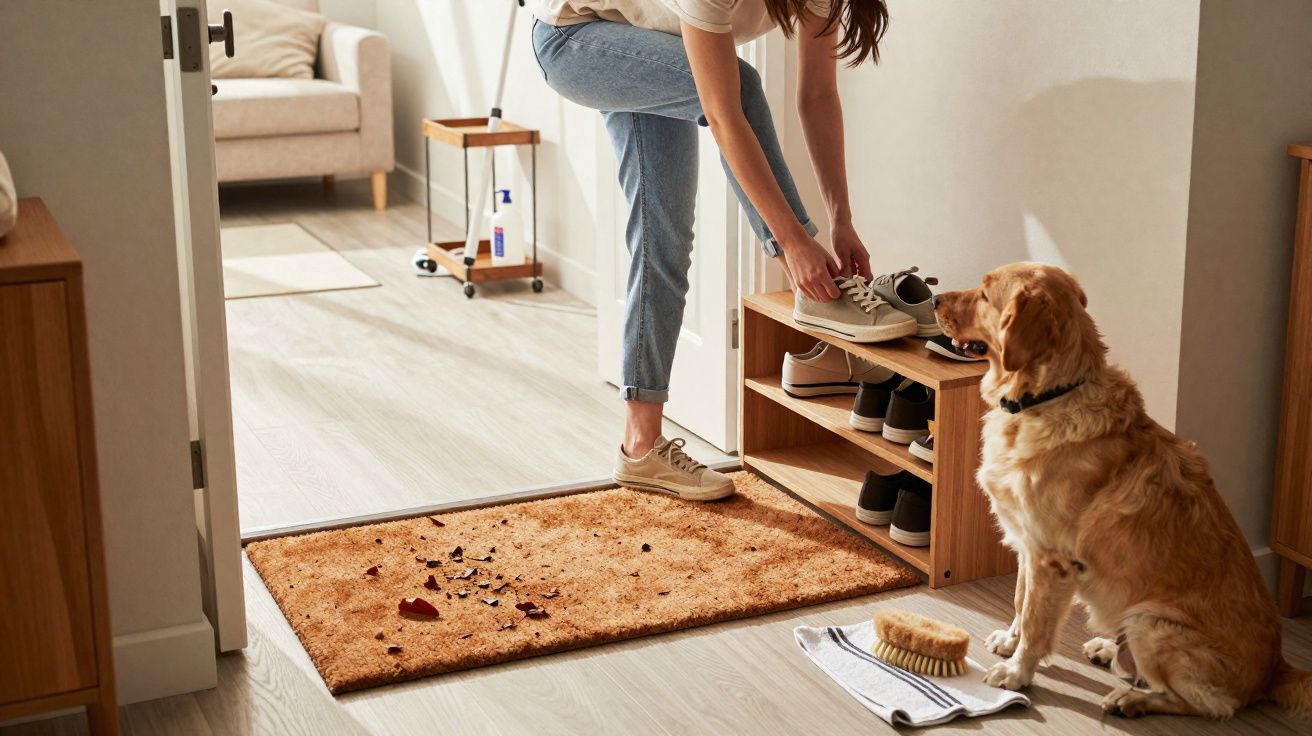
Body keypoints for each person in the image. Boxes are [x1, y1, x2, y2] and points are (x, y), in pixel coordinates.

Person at [531, 0, 888, 500]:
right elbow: (724, 114)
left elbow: (818, 97)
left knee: (663, 242)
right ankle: (820, 294)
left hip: (650, 41)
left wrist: (841, 220)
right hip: (575, 41)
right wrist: (792, 245)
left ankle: (642, 448)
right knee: (739, 87)